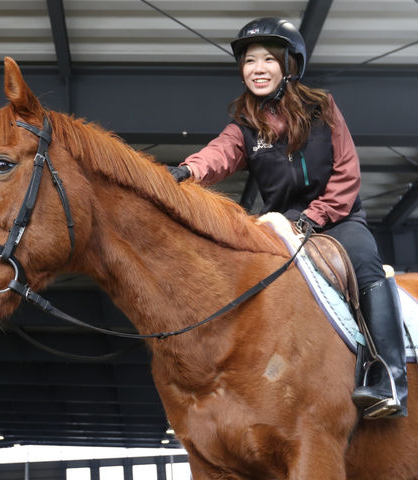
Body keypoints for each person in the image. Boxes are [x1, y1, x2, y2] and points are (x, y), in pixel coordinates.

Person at [169, 17, 407, 419]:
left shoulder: (323, 108)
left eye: (267, 60)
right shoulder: (244, 126)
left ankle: (389, 377)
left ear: (289, 65)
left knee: (367, 265)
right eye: (248, 61)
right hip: (283, 222)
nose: (256, 69)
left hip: (338, 216)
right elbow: (217, 155)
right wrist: (184, 171)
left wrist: (314, 217)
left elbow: (347, 173)